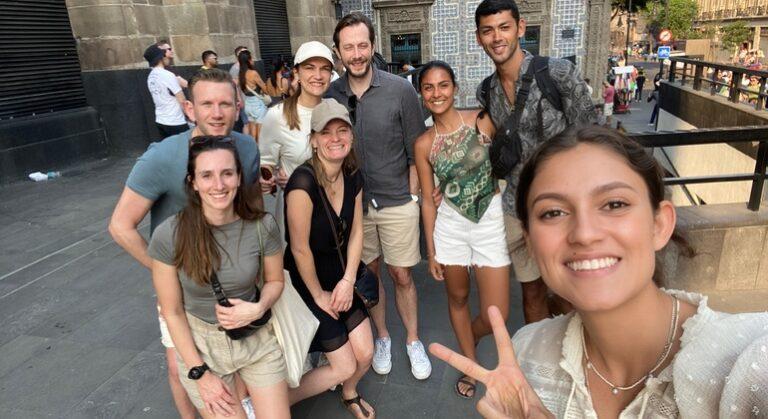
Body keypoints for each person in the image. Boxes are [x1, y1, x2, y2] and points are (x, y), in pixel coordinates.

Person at [430, 125, 768, 417]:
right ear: (531, 243)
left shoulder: (746, 362)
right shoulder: (527, 352)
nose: (585, 233)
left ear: (659, 224)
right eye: (553, 213)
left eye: (614, 204)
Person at [109, 69, 261, 419]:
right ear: (190, 110)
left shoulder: (247, 148)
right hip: (181, 282)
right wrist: (164, 272)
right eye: (207, 104)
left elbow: (251, 209)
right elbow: (120, 226)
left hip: (233, 276)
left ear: (238, 108)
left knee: (236, 354)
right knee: (181, 366)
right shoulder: (162, 157)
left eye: (225, 103)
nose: (217, 113)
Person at [473, 0, 597, 324]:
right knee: (531, 293)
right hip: (517, 206)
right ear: (479, 38)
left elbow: (593, 137)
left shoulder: (556, 73)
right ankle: (537, 365)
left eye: (504, 27)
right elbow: (485, 138)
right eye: (488, 31)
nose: (497, 37)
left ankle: (580, 358)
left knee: (570, 290)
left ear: (520, 28)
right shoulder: (486, 90)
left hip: (563, 205)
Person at [148, 136, 289, 419]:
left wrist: (259, 307)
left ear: (239, 177)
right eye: (207, 176)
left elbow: (275, 281)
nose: (219, 185)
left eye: (227, 173)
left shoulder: (263, 226)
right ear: (193, 182)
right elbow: (172, 312)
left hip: (255, 337)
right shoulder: (170, 234)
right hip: (201, 347)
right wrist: (199, 373)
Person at [328, 12, 432, 380]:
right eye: (348, 47)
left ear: (373, 47)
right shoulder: (331, 95)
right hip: (355, 206)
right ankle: (384, 336)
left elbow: (416, 148)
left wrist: (414, 198)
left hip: (397, 200)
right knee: (368, 276)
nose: (356, 54)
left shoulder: (400, 90)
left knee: (402, 274)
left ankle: (413, 339)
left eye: (362, 45)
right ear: (338, 52)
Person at [414, 61, 511, 399]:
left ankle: (469, 338)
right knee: (457, 298)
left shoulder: (481, 120)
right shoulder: (424, 143)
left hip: (490, 222)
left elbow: (510, 159)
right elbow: (428, 200)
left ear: (454, 87)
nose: (436, 93)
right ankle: (470, 364)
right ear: (421, 94)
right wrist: (431, 251)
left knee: (495, 313)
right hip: (450, 228)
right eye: (428, 87)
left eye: (443, 85)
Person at [284, 100, 375, 419]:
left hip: (340, 276)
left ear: (351, 135)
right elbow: (299, 249)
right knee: (344, 365)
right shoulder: (302, 183)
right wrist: (319, 295)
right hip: (306, 283)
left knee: (366, 354)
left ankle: (349, 393)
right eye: (326, 132)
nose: (335, 138)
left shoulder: (353, 175)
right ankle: (275, 401)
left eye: (342, 130)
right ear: (313, 139)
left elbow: (356, 233)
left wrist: (349, 280)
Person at [259, 41, 335, 236]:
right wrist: (271, 179)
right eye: (310, 68)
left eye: (324, 69)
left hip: (335, 212)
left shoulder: (335, 110)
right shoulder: (277, 115)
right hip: (299, 218)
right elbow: (265, 164)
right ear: (297, 73)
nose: (318, 76)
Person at [144, 43, 188, 138]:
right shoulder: (167, 75)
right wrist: (190, 117)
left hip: (161, 121)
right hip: (176, 122)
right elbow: (181, 99)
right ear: (160, 58)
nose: (167, 57)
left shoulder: (150, 76)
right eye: (164, 54)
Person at [237, 50, 269, 140]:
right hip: (257, 104)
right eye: (252, 58)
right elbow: (265, 89)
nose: (253, 61)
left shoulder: (240, 74)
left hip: (248, 104)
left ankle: (253, 151)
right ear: (248, 60)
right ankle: (259, 152)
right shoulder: (253, 73)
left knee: (252, 133)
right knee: (260, 134)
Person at [230, 46, 250, 134]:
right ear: (238, 55)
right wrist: (239, 99)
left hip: (249, 99)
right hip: (243, 99)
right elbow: (234, 85)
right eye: (243, 52)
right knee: (247, 123)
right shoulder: (235, 68)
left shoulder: (245, 66)